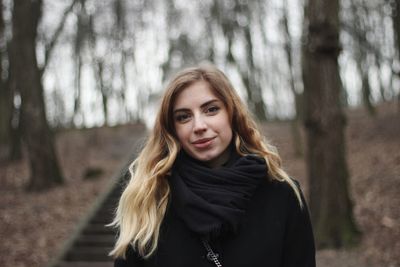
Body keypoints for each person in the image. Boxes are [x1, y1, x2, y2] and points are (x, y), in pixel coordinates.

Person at [110, 64, 315, 267]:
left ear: (231, 113)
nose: (199, 126)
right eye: (183, 117)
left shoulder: (282, 194)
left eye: (211, 109)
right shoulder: (148, 201)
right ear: (172, 130)